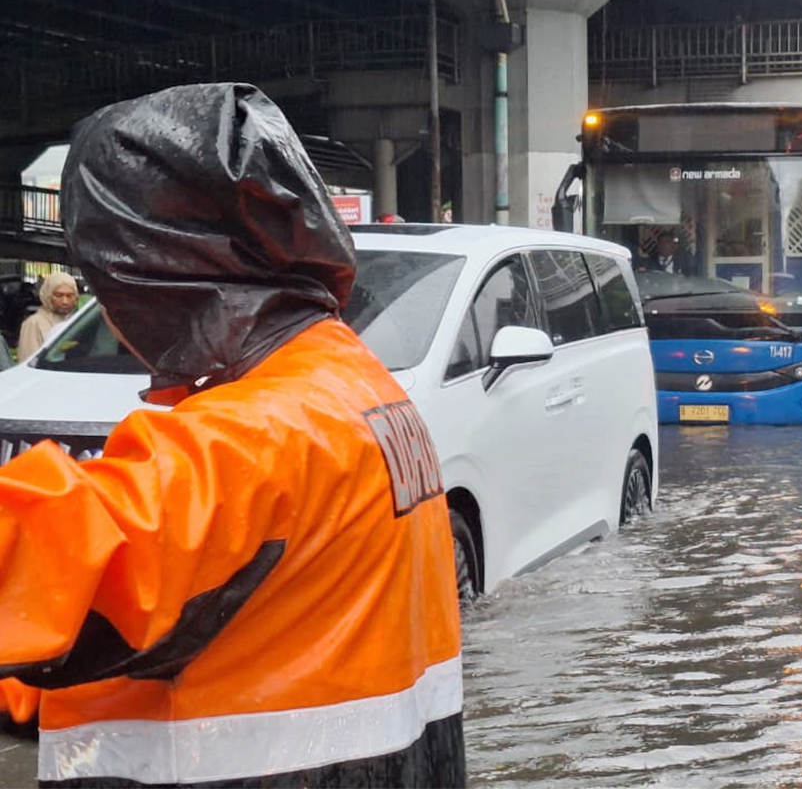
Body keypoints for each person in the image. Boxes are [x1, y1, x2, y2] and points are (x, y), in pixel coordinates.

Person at [0, 83, 466, 787]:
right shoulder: (354, 384)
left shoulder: (250, 437)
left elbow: (57, 557)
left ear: (155, 274)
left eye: (103, 279)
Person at [16, 271, 77, 361]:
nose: (65, 301)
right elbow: (29, 362)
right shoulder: (34, 324)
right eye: (59, 295)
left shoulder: (77, 320)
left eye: (70, 296)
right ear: (48, 296)